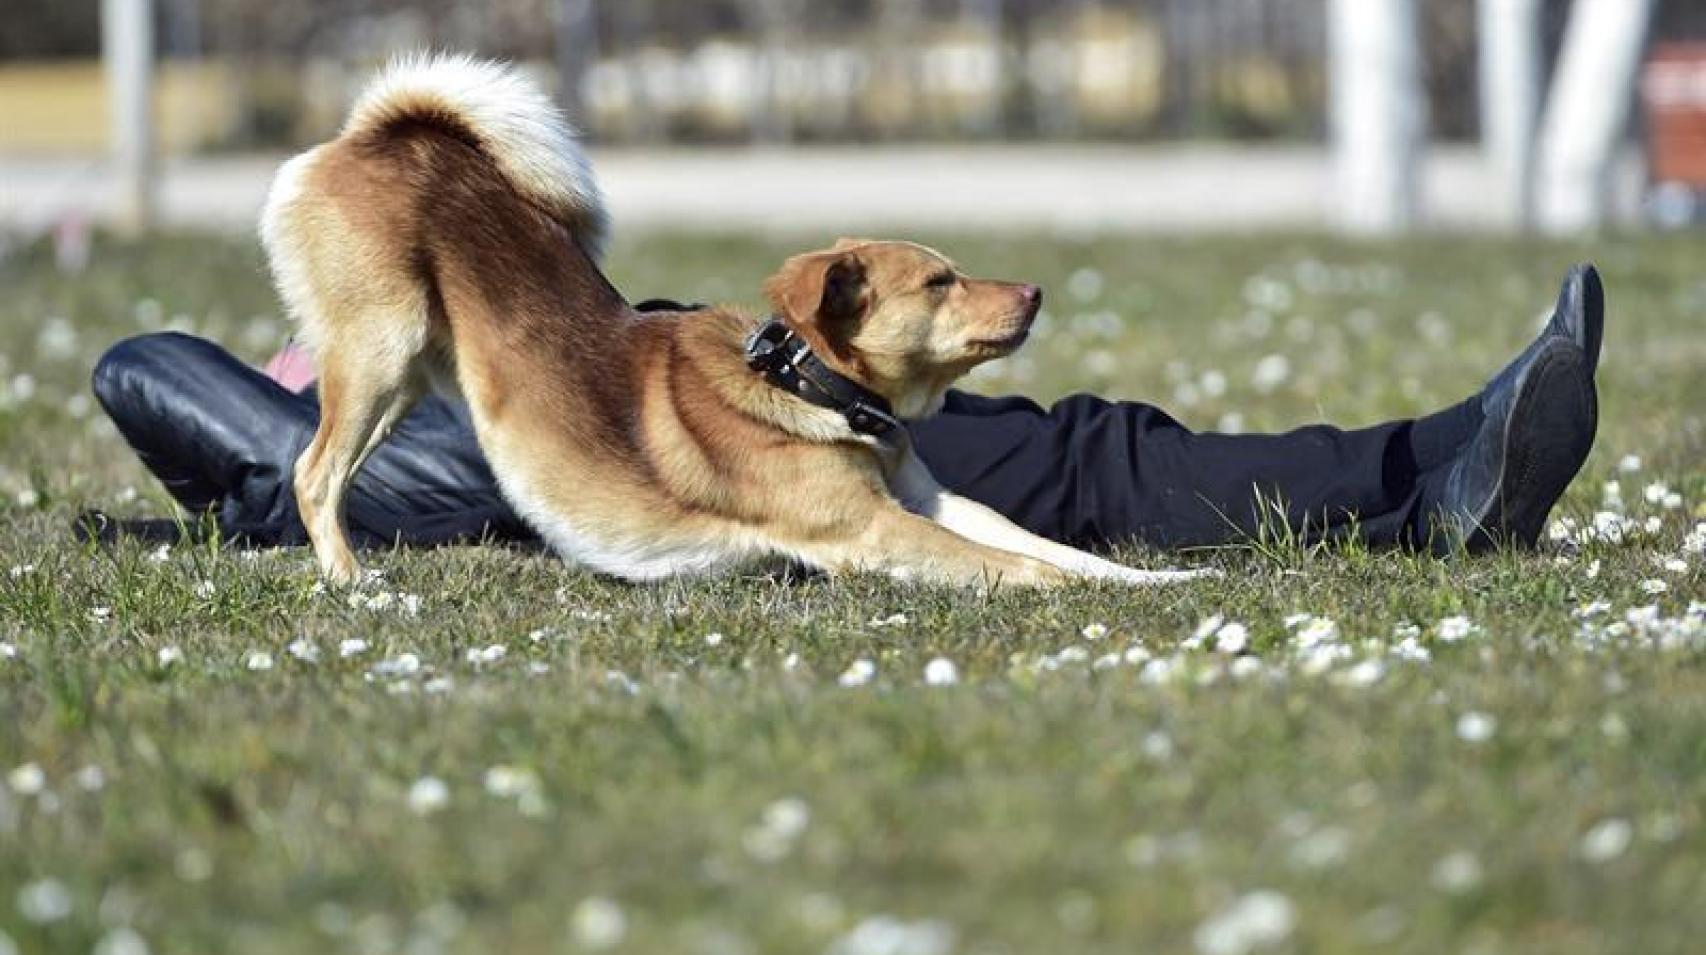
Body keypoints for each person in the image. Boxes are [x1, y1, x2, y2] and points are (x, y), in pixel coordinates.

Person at [86, 265, 1603, 558]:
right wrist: (318, 407)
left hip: (689, 382)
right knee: (1078, 460)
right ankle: (1435, 483)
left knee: (1076, 446)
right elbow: (138, 366)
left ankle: (1431, 469)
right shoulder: (344, 471)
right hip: (687, 464)